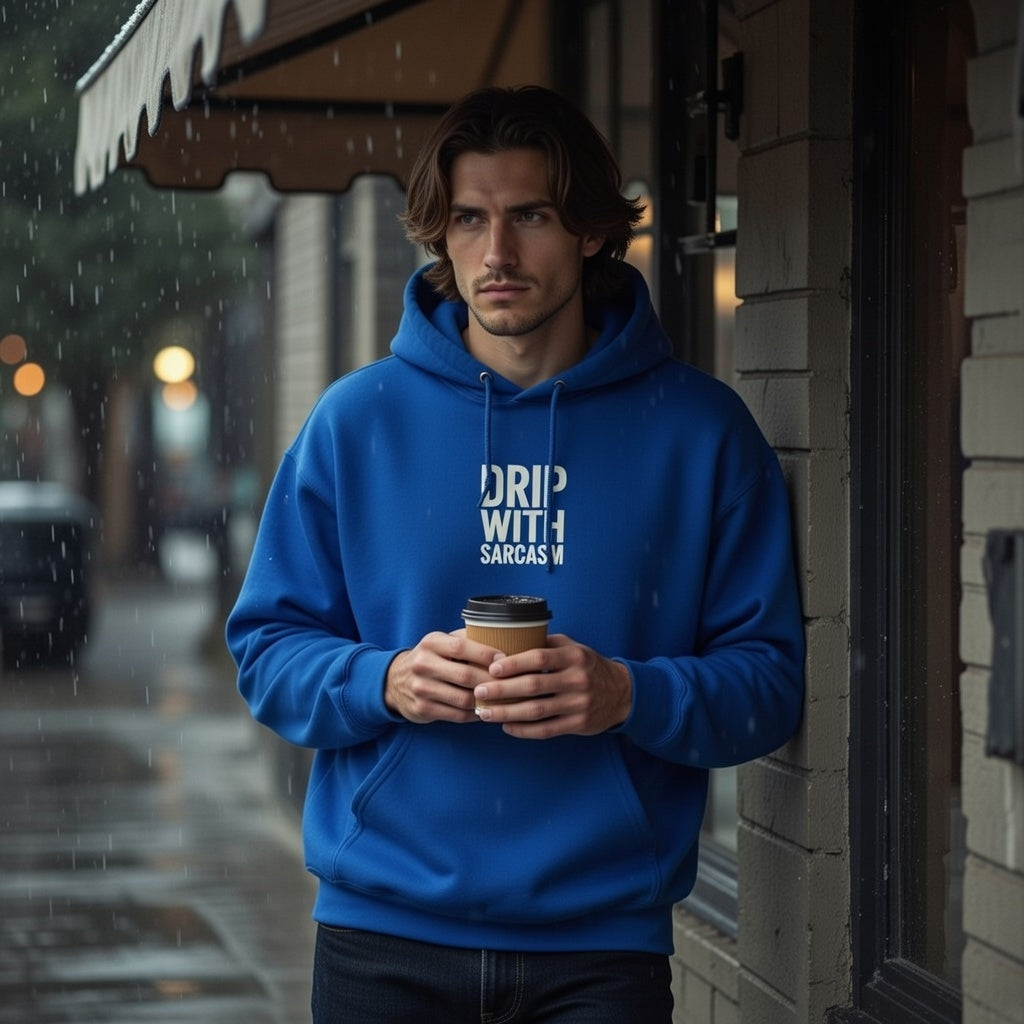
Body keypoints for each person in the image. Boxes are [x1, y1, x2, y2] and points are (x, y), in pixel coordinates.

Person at [226, 84, 805, 1023]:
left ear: (586, 229)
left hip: (601, 947)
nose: (495, 254)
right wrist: (386, 681)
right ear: (439, 234)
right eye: (468, 219)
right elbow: (266, 652)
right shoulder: (356, 423)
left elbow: (770, 685)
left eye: (529, 215)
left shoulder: (700, 434)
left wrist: (629, 695)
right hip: (384, 936)